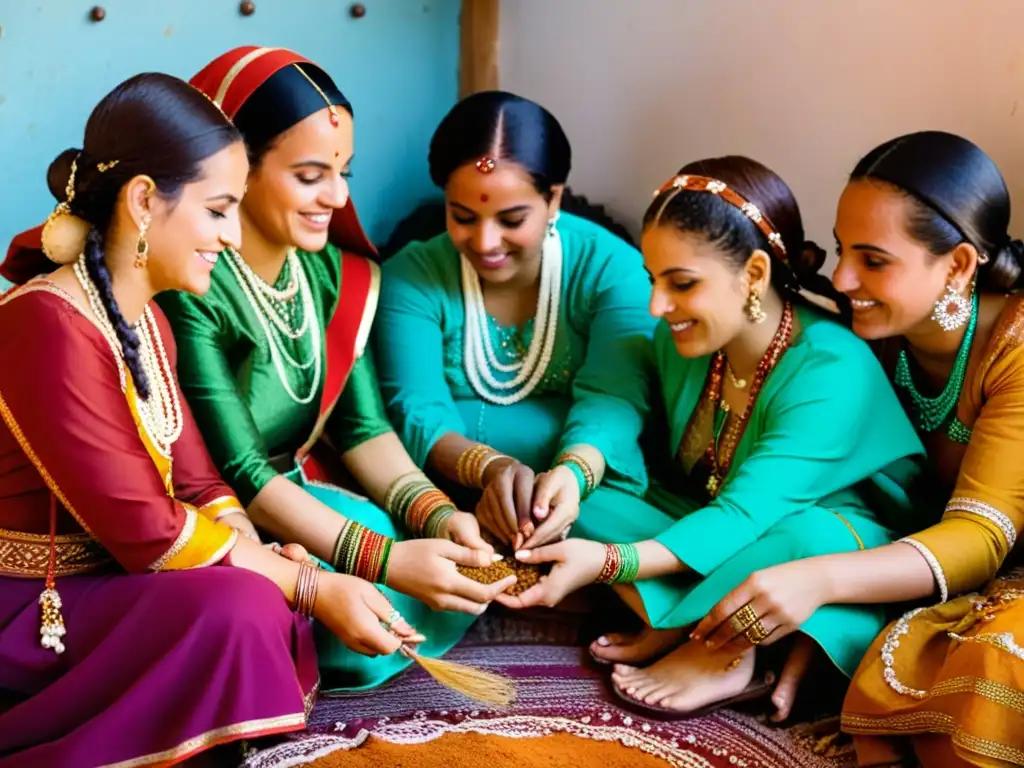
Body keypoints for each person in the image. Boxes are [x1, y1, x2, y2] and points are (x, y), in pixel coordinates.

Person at [0, 73, 418, 768]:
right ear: (142, 201)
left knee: (256, 594)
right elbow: (147, 530)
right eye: (219, 209)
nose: (230, 236)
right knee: (245, 607)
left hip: (114, 583)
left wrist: (259, 552)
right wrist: (304, 583)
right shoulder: (46, 323)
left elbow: (200, 484)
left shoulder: (148, 322)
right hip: (30, 606)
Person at [500, 156, 926, 718]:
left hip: (831, 537)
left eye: (681, 283)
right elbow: (614, 399)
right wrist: (575, 472)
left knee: (805, 537)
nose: (656, 306)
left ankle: (716, 643)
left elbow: (745, 517)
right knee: (584, 500)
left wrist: (607, 563)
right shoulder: (689, 339)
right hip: (715, 521)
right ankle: (713, 618)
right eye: (653, 280)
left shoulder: (831, 368)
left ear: (752, 274)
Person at [160, 47, 511, 691]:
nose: (338, 197)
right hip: (223, 514)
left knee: (412, 523)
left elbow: (363, 429)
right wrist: (387, 559)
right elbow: (238, 469)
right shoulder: (192, 284)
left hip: (304, 494)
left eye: (344, 172)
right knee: (363, 557)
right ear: (238, 170)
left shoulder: (334, 275)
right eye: (311, 175)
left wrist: (435, 516)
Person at [694, 132, 1024, 766]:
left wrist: (819, 582)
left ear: (957, 265)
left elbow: (981, 536)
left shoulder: (1011, 348)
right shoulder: (869, 340)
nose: (843, 279)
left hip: (999, 573)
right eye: (844, 251)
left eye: (874, 261)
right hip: (923, 568)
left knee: (988, 671)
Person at [373, 90, 656, 552]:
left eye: (511, 219)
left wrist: (570, 476)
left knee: (657, 554)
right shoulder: (412, 276)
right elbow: (417, 409)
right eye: (463, 216)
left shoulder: (611, 270)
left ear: (554, 199)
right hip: (447, 495)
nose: (485, 241)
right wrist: (494, 471)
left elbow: (617, 396)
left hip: (581, 492)